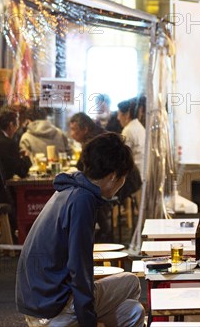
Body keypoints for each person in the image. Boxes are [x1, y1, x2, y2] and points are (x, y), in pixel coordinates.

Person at [16, 133, 145, 327]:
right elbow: (79, 266)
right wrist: (88, 321)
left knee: (133, 311)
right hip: (54, 308)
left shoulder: (70, 188)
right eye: (123, 177)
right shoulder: (83, 201)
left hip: (36, 302)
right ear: (112, 177)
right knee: (132, 283)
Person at [69, 112, 113, 242]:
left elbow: (84, 166)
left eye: (74, 130)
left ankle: (102, 233)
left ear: (85, 129)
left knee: (87, 194)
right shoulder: (95, 134)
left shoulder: (93, 140)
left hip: (116, 180)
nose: (72, 134)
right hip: (110, 177)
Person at [117, 99, 146, 180]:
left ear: (127, 115)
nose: (118, 118)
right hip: (142, 173)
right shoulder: (139, 126)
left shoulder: (128, 130)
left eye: (119, 114)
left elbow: (123, 157)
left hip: (133, 176)